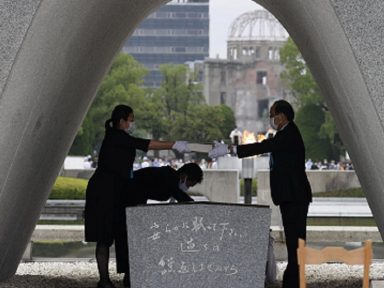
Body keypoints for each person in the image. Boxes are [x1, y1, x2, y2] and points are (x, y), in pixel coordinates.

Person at [209, 99, 312, 288]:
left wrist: (230, 150)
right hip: (291, 196)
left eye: (272, 115)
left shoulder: (288, 134)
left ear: (281, 116)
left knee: (295, 242)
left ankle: (294, 282)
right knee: (293, 241)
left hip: (295, 196)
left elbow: (262, 146)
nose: (270, 118)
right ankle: (293, 280)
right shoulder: (285, 133)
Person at [84, 104, 190, 288]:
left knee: (111, 234)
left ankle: (107, 279)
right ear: (121, 120)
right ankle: (104, 280)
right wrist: (173, 144)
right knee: (104, 236)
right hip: (104, 191)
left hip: (115, 189)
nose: (132, 123)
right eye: (130, 120)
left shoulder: (117, 136)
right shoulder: (117, 137)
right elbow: (146, 144)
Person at [115, 163, 203, 287]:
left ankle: (131, 276)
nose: (187, 187)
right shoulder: (169, 178)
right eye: (189, 184)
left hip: (131, 203)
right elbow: (181, 196)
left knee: (132, 243)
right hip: (125, 203)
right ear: (184, 176)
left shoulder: (169, 177)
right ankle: (131, 278)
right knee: (131, 242)